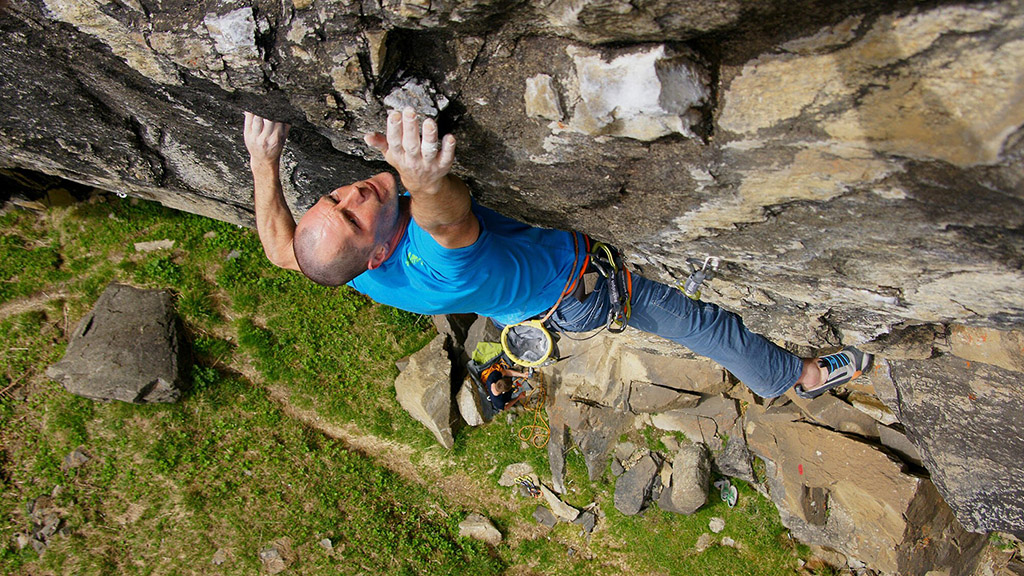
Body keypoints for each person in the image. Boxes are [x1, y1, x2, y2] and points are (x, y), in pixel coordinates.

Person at [242, 108, 873, 400]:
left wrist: (261, 159)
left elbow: (280, 248)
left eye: (334, 197)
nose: (355, 190)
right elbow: (451, 220)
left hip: (537, 295)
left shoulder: (340, 264)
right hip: (583, 292)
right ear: (379, 254)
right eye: (354, 214)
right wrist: (423, 178)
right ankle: (803, 377)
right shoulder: (428, 264)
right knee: (705, 326)